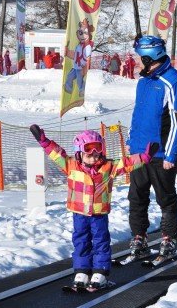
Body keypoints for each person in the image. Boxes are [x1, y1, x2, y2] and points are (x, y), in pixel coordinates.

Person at [29, 124, 158, 289]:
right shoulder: (71, 165)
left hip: (99, 214)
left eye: (97, 155)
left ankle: (100, 271)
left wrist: (145, 157)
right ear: (79, 153)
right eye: (88, 155)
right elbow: (56, 154)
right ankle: (82, 271)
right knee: (81, 241)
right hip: (79, 213)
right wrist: (44, 141)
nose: (93, 158)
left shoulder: (107, 167)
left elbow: (126, 164)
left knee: (101, 242)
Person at [127, 34, 177, 261]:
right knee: (137, 197)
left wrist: (171, 153)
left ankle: (168, 239)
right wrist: (132, 145)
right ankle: (139, 237)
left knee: (166, 198)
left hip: (162, 153)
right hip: (139, 153)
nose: (136, 61)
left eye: (139, 56)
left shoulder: (173, 81)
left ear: (149, 55)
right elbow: (138, 115)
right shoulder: (144, 82)